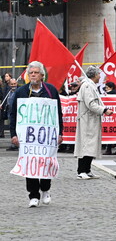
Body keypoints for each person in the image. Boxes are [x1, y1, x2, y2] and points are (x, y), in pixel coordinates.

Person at [9, 61, 64, 207]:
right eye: (30, 73)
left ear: (42, 75)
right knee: (30, 163)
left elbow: (57, 113)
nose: (33, 75)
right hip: (27, 137)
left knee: (45, 162)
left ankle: (45, 189)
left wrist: (60, 133)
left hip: (46, 136)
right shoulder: (21, 92)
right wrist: (13, 134)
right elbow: (13, 113)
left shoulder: (51, 90)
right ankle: (33, 195)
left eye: (35, 72)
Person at [74, 66, 114, 179]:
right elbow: (90, 104)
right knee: (86, 145)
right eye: (98, 74)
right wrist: (104, 110)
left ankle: (87, 169)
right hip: (87, 120)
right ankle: (81, 171)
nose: (100, 76)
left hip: (92, 119)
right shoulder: (87, 86)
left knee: (91, 145)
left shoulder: (91, 85)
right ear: (94, 75)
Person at [4, 78, 19, 151]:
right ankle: (13, 143)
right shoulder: (9, 92)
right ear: (9, 84)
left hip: (16, 113)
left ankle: (16, 144)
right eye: (12, 84)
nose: (13, 86)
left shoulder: (18, 92)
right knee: (11, 127)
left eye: (14, 84)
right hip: (10, 112)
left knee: (16, 128)